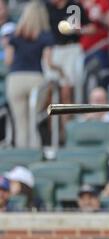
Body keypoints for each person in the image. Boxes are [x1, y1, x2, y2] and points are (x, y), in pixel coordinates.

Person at [4, 1, 58, 148]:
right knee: (33, 122)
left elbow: (8, 61)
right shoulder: (45, 36)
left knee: (21, 124)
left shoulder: (14, 36)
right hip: (35, 78)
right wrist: (61, 70)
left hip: (15, 79)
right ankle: (34, 154)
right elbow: (48, 63)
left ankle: (23, 157)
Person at [45, 0, 95, 105]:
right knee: (49, 92)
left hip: (71, 49)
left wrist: (78, 29)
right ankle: (52, 121)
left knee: (66, 92)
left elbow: (91, 28)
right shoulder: (47, 8)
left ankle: (66, 121)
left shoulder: (74, 7)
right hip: (53, 50)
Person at [80, 0, 109, 88]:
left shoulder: (104, 2)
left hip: (99, 49)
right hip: (83, 51)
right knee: (83, 82)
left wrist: (101, 17)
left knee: (100, 80)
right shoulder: (80, 3)